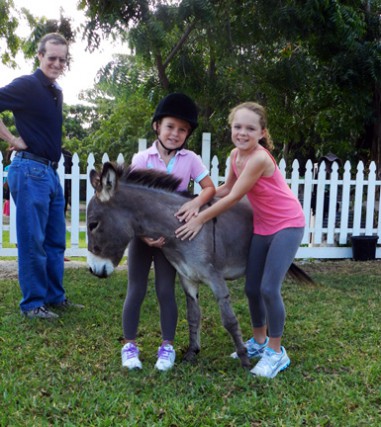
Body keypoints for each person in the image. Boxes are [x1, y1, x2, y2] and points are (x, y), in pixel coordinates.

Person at [175, 102, 305, 379]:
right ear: (231, 129)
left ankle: (276, 352)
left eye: (250, 128)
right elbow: (227, 188)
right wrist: (198, 200)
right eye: (237, 127)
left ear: (262, 133)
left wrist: (199, 218)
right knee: (251, 288)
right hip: (263, 226)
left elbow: (234, 198)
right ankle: (258, 343)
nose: (242, 133)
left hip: (288, 225)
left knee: (269, 289)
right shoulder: (236, 155)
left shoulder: (259, 158)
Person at [121, 93, 216, 371]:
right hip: (142, 236)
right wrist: (142, 235)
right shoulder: (142, 158)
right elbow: (132, 201)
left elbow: (209, 187)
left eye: (182, 130)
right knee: (135, 290)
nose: (175, 134)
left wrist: (195, 202)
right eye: (170, 127)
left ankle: (167, 347)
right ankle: (129, 346)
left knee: (165, 291)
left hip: (171, 238)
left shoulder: (191, 159)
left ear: (188, 134)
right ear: (157, 127)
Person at [0, 33, 83, 319]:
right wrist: (11, 137)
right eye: (52, 58)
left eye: (62, 59)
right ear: (40, 56)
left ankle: (54, 297)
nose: (57, 63)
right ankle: (33, 304)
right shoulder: (26, 85)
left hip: (49, 172)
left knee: (55, 241)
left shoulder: (55, 92)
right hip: (30, 170)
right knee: (32, 241)